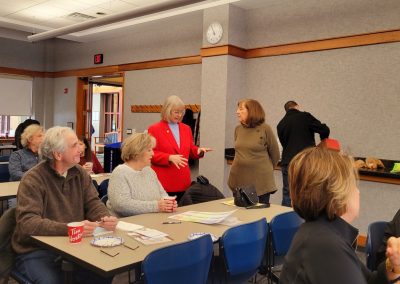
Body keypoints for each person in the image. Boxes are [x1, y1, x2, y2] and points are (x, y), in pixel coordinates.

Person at [11, 126, 118, 284]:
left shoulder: (80, 174)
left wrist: (105, 217)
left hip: (74, 245)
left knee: (103, 273)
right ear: (58, 154)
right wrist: (70, 228)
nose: (80, 149)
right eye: (74, 145)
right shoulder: (33, 179)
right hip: (36, 249)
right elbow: (28, 223)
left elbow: (93, 203)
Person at [280, 147, 400, 284]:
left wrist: (393, 265)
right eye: (353, 185)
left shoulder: (322, 234)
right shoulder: (324, 245)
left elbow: (369, 280)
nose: (358, 192)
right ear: (337, 193)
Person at [148, 95, 211, 202]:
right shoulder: (154, 129)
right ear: (167, 111)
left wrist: (198, 151)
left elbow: (190, 149)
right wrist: (169, 157)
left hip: (183, 182)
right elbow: (150, 154)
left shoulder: (186, 129)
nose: (180, 115)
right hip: (164, 182)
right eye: (176, 112)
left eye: (182, 112)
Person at [107, 132, 177, 217]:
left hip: (150, 219)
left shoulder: (149, 171)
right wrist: (157, 206)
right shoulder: (120, 173)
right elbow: (121, 205)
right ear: (137, 151)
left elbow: (162, 194)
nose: (153, 154)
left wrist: (168, 204)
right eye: (149, 150)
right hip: (126, 223)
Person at [277, 100, 330, 207]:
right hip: (306, 161)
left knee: (288, 194)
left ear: (286, 110)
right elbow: (324, 129)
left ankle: (286, 221)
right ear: (297, 107)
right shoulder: (305, 116)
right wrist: (324, 140)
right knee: (308, 193)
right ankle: (307, 221)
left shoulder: (280, 124)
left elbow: (284, 144)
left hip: (288, 162)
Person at [227, 99, 280, 205]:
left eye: (241, 109)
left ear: (252, 111)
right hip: (238, 178)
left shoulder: (265, 128)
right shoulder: (238, 129)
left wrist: (265, 170)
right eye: (237, 109)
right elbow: (239, 151)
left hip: (260, 182)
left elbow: (275, 154)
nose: (237, 112)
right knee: (240, 215)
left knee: (259, 215)